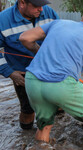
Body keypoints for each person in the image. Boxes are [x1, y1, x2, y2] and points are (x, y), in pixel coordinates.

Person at [19, 7, 83, 145]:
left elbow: (25, 38)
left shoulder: (58, 23)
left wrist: (39, 52)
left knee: (44, 126)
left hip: (32, 81)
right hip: (61, 85)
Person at [0, 0, 59, 130]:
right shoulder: (2, 20)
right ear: (22, 3)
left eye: (43, 5)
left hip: (50, 69)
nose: (42, 9)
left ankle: (57, 126)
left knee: (59, 102)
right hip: (22, 74)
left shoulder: (49, 13)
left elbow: (60, 37)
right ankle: (26, 136)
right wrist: (10, 72)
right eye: (37, 6)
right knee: (28, 111)